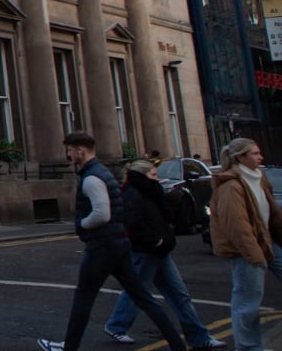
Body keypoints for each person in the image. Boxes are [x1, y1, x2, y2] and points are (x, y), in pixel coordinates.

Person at [37, 131, 184, 351]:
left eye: (69, 150)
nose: (68, 155)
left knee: (83, 298)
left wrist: (82, 224)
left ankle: (69, 347)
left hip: (101, 247)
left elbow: (101, 213)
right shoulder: (103, 172)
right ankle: (177, 343)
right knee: (143, 298)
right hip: (118, 244)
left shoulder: (91, 178)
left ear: (80, 150)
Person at [101, 159, 223, 347]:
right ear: (142, 175)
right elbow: (133, 225)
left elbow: (162, 217)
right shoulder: (133, 194)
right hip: (146, 251)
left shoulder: (151, 191)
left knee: (178, 294)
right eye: (153, 175)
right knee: (140, 292)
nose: (157, 178)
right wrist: (155, 241)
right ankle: (116, 325)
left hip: (160, 251)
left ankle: (199, 337)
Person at [210, 137, 282, 351]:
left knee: (248, 297)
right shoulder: (231, 185)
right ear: (240, 157)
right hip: (248, 248)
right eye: (255, 153)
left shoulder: (259, 177)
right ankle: (248, 346)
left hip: (267, 240)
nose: (261, 157)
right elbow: (237, 226)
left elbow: (271, 213)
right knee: (247, 301)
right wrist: (253, 254)